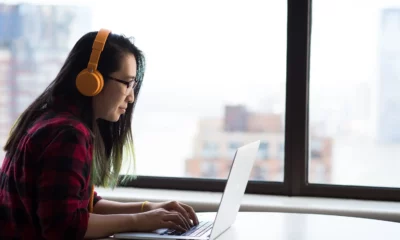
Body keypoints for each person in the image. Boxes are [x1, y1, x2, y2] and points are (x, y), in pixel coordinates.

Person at [0, 29, 199, 240]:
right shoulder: (67, 134)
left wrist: (147, 208)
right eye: (127, 83)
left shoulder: (50, 118)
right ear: (92, 80)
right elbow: (64, 227)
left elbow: (84, 203)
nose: (131, 97)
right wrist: (140, 221)